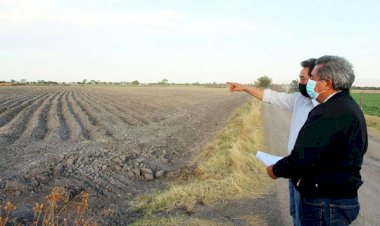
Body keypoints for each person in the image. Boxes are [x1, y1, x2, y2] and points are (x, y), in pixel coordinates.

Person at [267, 55, 368, 226]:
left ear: (327, 83)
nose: (308, 83)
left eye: (312, 78)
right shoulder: (346, 105)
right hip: (336, 196)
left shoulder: (329, 112)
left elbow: (303, 156)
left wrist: (276, 170)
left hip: (325, 200)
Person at [227, 58, 317, 226]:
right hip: (295, 171)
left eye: (303, 78)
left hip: (311, 179)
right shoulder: (300, 100)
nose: (300, 82)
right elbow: (271, 97)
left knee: (307, 218)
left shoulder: (327, 109)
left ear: (316, 78)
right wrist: (245, 88)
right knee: (296, 215)